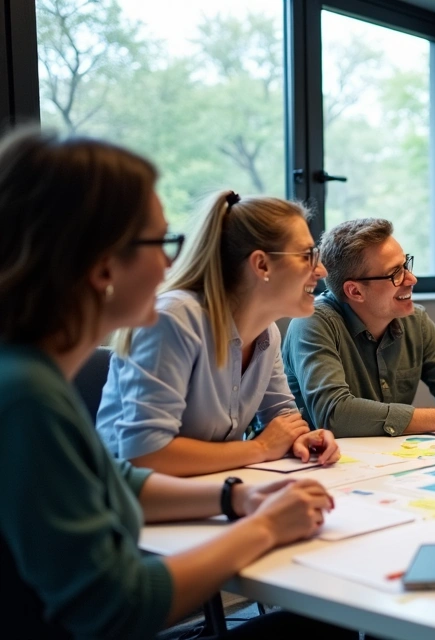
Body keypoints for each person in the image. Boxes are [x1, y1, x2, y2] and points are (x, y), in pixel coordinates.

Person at [0, 129, 357, 638]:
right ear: (102, 264)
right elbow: (114, 608)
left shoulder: (31, 377)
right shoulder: (25, 396)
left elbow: (115, 481)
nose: (172, 263)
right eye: (161, 242)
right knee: (328, 626)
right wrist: (264, 526)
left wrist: (238, 499)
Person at [96, 189, 340, 476]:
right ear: (261, 264)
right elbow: (146, 454)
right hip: (127, 505)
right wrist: (260, 448)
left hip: (208, 490)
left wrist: (301, 438)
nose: (321, 270)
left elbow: (283, 420)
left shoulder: (267, 333)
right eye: (307, 255)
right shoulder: (174, 319)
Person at [282, 218, 435, 437]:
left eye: (406, 265)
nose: (412, 279)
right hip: (308, 463)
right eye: (395, 273)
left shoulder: (415, 319)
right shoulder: (312, 322)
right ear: (355, 291)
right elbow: (336, 414)